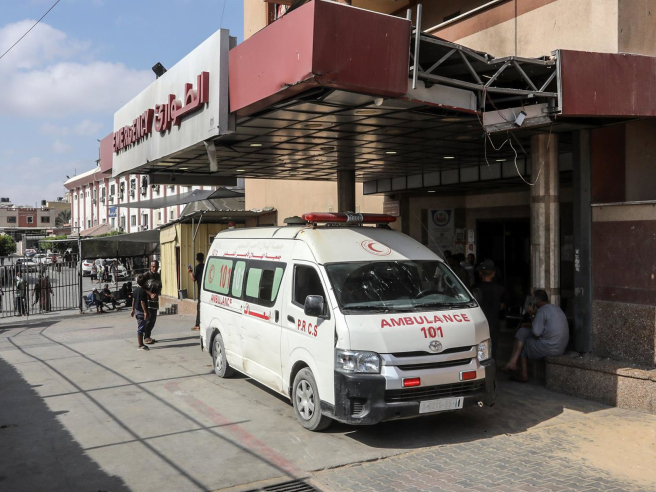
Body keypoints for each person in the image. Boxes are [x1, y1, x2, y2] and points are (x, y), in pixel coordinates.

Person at [504, 289, 569, 382]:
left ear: (537, 300)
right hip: (560, 347)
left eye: (533, 299)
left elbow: (536, 333)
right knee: (522, 331)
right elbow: (545, 327)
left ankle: (523, 376)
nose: (531, 301)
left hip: (550, 347)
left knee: (524, 346)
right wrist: (531, 324)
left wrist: (532, 315)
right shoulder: (556, 308)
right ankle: (512, 362)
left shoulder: (542, 311)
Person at [472, 259, 505, 358]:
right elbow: (501, 306)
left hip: (479, 323)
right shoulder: (500, 289)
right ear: (493, 273)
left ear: (480, 273)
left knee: (478, 350)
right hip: (494, 323)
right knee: (492, 349)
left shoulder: (475, 288)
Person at [142, 261, 161, 344]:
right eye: (153, 266)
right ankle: (145, 336)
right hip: (147, 300)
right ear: (150, 266)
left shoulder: (158, 275)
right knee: (149, 319)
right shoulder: (146, 275)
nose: (155, 268)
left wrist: (157, 293)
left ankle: (148, 335)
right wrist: (150, 294)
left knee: (153, 319)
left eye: (156, 267)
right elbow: (142, 287)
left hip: (155, 300)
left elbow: (160, 287)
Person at [131, 275, 149, 351]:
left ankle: (141, 343)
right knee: (141, 328)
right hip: (141, 312)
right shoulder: (143, 291)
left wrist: (132, 310)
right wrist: (145, 312)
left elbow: (133, 300)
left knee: (142, 327)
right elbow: (142, 302)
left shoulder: (135, 290)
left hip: (137, 311)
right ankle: (140, 344)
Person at [188, 252, 205, 331]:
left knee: (199, 307)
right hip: (205, 289)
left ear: (197, 259)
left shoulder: (197, 267)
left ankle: (198, 324)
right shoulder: (205, 266)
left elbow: (193, 279)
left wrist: (190, 272)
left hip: (200, 290)